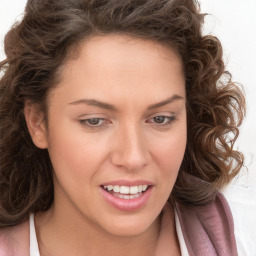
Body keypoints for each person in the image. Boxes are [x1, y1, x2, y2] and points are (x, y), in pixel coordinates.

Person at [0, 0, 246, 255]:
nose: (133, 157)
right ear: (38, 122)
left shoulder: (245, 234)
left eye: (161, 119)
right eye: (94, 121)